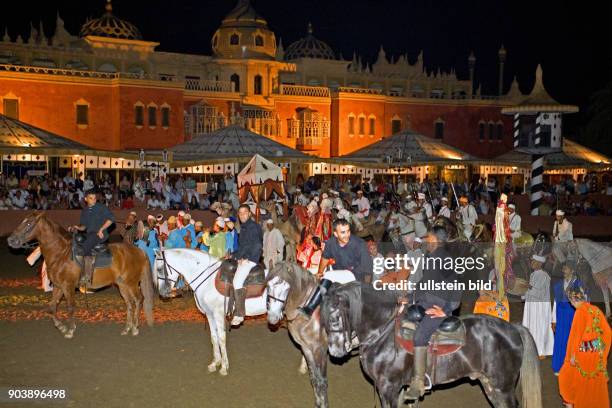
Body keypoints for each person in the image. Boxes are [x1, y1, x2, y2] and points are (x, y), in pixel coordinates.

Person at [403, 226, 463, 400]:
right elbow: (424, 282)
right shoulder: (432, 257)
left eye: (427, 238)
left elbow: (457, 286)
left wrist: (445, 311)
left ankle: (418, 381)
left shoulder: (444, 258)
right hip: (426, 302)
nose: (425, 241)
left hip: (437, 307)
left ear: (435, 239)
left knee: (420, 335)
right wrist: (408, 297)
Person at [300, 218, 373, 317]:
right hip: (339, 273)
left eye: (348, 231)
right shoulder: (330, 243)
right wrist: (319, 273)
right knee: (314, 275)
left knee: (329, 275)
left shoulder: (359, 244)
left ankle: (310, 308)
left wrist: (366, 290)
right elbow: (324, 259)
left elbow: (368, 269)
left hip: (356, 276)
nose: (347, 235)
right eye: (343, 232)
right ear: (335, 234)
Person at [558, 283, 611, 408]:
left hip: (583, 358)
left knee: (566, 377)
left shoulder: (580, 313)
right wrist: (597, 348)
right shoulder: (596, 309)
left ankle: (571, 403)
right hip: (597, 356)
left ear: (571, 300)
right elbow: (607, 333)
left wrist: (575, 355)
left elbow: (576, 338)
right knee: (595, 386)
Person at [68, 188, 115, 288]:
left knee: (86, 245)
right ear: (86, 199)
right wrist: (77, 227)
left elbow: (111, 219)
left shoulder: (101, 207)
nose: (93, 200)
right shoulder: (84, 211)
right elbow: (84, 226)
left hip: (99, 234)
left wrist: (101, 229)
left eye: (94, 198)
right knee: (75, 242)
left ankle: (87, 277)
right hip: (89, 234)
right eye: (91, 198)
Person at [230, 205, 263, 327]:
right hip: (244, 258)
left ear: (249, 213)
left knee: (237, 283)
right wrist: (234, 256)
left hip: (251, 259)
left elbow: (257, 245)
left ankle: (239, 313)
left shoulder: (253, 227)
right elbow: (243, 247)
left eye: (245, 213)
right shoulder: (243, 228)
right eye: (240, 213)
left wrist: (248, 259)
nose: (242, 215)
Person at [522, 254, 554, 358]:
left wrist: (528, 287)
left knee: (539, 327)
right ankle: (532, 349)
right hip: (532, 306)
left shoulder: (543, 276)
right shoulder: (533, 274)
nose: (531, 263)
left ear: (540, 263)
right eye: (531, 261)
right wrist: (523, 293)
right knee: (531, 326)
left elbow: (539, 294)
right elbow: (530, 291)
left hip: (540, 307)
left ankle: (541, 351)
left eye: (534, 261)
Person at [552, 261, 579, 375]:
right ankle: (558, 366)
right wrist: (553, 319)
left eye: (566, 269)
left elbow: (583, 303)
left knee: (572, 340)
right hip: (560, 315)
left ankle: (571, 367)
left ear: (572, 270)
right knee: (560, 340)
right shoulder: (558, 285)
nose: (563, 271)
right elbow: (555, 302)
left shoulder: (579, 284)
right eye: (563, 269)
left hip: (573, 315)